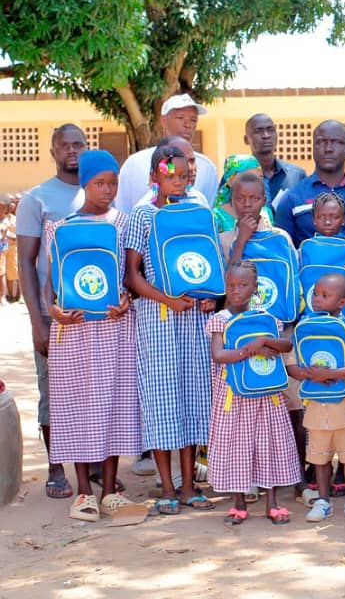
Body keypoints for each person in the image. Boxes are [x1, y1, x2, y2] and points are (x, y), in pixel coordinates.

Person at [41, 150, 146, 525]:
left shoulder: (123, 223)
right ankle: (83, 490)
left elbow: (131, 275)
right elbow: (50, 284)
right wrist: (52, 310)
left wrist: (126, 299)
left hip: (115, 328)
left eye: (113, 182)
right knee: (78, 407)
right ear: (85, 182)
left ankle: (109, 492)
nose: (107, 190)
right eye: (100, 182)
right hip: (74, 331)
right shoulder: (60, 226)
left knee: (114, 405)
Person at [123, 145, 217, 515]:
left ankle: (189, 485)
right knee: (161, 400)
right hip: (158, 319)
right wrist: (166, 299)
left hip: (193, 318)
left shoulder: (198, 212)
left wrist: (211, 296)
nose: (177, 182)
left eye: (183, 176)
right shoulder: (143, 215)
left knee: (193, 396)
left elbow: (208, 263)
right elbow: (132, 275)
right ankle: (166, 486)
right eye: (169, 176)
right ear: (154, 178)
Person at [15, 124, 86, 499]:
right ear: (53, 151)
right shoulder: (37, 199)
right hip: (52, 316)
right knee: (54, 395)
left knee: (90, 393)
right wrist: (36, 321)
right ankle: (56, 467)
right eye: (66, 146)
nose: (73, 151)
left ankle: (90, 470)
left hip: (94, 316)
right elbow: (26, 262)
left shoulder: (99, 191)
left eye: (79, 144)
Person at [207, 262, 301, 526]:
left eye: (243, 285)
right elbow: (218, 355)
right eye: (231, 286)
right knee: (237, 446)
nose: (236, 291)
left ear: (255, 288)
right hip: (233, 396)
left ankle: (272, 503)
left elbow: (286, 344)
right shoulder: (220, 320)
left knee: (268, 443)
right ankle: (239, 504)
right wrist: (253, 350)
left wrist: (263, 340)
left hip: (266, 396)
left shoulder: (266, 318)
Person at [285, 273, 345, 523]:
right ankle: (323, 500)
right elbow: (291, 366)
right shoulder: (303, 329)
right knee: (319, 458)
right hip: (316, 410)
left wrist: (329, 374)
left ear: (342, 302)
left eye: (325, 295)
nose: (317, 300)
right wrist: (308, 374)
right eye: (315, 294)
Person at [276, 120, 345, 245]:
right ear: (313, 148)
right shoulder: (291, 198)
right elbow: (283, 251)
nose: (328, 149)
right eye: (321, 142)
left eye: (336, 142)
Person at [116, 94, 218, 213]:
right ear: (164, 121)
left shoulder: (207, 167)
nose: (188, 124)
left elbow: (209, 214)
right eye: (180, 118)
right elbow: (124, 211)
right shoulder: (134, 164)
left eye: (193, 120)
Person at [242, 113, 306, 209]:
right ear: (246, 139)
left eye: (270, 130)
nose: (266, 135)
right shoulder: (237, 177)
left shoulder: (296, 175)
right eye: (258, 131)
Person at [136, 136, 210, 208]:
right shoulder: (145, 210)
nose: (189, 168)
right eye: (170, 176)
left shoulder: (199, 200)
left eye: (192, 160)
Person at [211, 154, 274, 238]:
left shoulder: (266, 213)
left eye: (260, 178)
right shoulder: (217, 216)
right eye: (247, 179)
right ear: (230, 182)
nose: (254, 184)